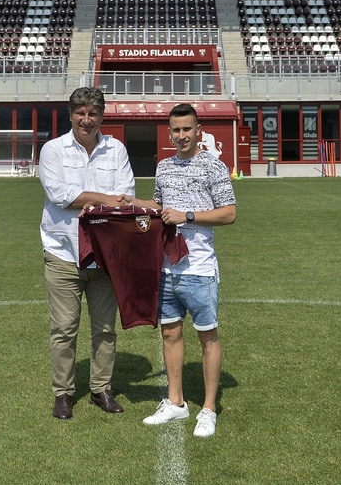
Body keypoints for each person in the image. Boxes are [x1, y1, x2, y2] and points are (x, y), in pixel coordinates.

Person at [120, 102, 237, 438]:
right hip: (167, 268)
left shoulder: (214, 166)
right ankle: (176, 402)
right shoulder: (164, 167)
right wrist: (135, 203)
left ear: (198, 131)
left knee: (207, 337)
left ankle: (209, 408)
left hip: (199, 268)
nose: (182, 135)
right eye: (176, 130)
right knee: (170, 333)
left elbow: (229, 213)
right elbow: (161, 208)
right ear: (169, 133)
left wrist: (187, 215)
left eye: (187, 129)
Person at [38, 86, 135, 420]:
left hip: (105, 256)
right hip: (63, 253)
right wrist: (103, 199)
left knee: (105, 328)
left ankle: (100, 389)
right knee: (64, 329)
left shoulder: (116, 149)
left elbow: (126, 195)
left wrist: (91, 201)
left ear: (102, 116)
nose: (86, 119)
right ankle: (63, 394)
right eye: (80, 113)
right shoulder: (53, 150)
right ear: (71, 115)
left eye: (93, 113)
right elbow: (59, 194)